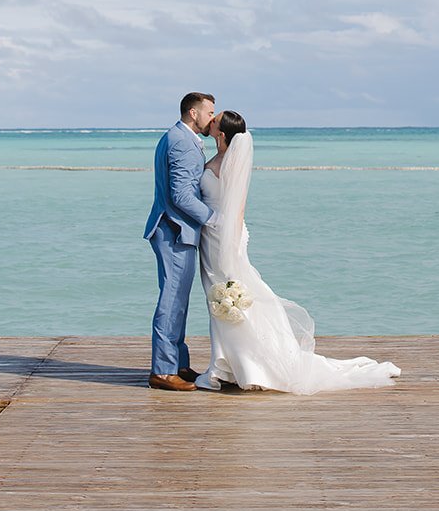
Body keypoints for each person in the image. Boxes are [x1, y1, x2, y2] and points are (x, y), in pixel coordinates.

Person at [195, 111, 401, 394]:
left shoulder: (233, 162)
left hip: (225, 237)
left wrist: (230, 243)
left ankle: (245, 365)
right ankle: (229, 364)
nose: (211, 120)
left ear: (221, 132)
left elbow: (238, 207)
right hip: (211, 236)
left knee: (231, 293)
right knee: (224, 296)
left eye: (215, 119)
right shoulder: (216, 157)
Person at [143, 92, 217, 391]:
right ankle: (162, 371)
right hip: (174, 230)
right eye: (210, 112)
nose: (213, 117)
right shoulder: (183, 142)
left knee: (179, 302)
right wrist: (214, 219)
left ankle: (178, 364)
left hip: (175, 229)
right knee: (172, 301)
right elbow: (182, 195)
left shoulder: (176, 136)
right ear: (193, 113)